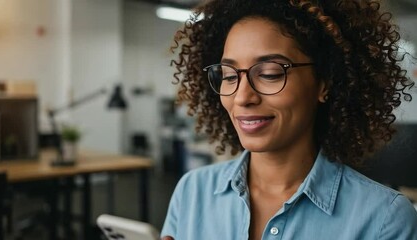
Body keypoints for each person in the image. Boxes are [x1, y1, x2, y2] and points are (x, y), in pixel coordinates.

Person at [161, 0, 417, 239]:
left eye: (270, 74)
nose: (242, 97)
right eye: (229, 76)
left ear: (323, 83)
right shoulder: (192, 191)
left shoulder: (384, 218)